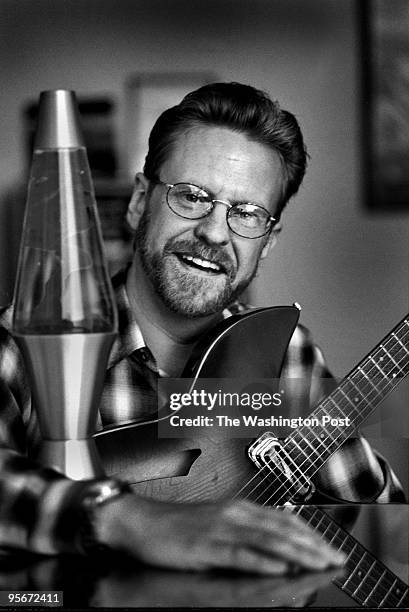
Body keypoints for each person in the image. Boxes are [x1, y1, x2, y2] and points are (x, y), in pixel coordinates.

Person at [0, 82, 404, 575]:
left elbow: (376, 513)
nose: (215, 232)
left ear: (268, 242)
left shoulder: (285, 354)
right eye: (191, 197)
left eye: (247, 214)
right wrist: (129, 520)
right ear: (139, 201)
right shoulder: (20, 344)